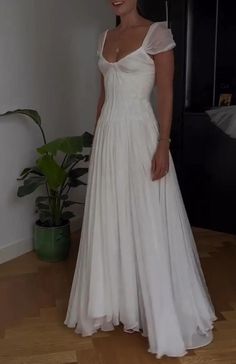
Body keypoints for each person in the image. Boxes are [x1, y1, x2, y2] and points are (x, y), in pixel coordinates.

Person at [64, 0, 218, 359]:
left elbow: (165, 95)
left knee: (146, 215)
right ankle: (115, 302)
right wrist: (96, 138)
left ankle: (158, 306)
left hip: (141, 137)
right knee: (110, 216)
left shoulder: (157, 34)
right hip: (109, 137)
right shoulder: (105, 36)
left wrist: (163, 145)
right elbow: (104, 94)